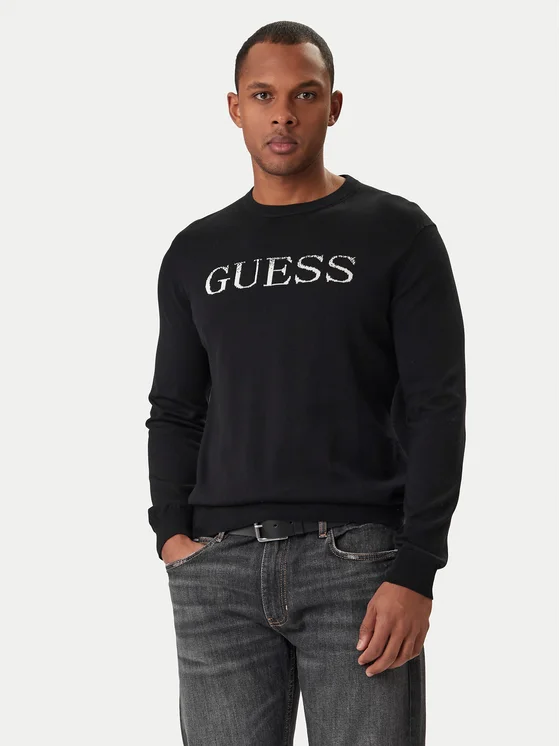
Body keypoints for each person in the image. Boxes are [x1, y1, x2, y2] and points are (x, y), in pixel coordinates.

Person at [145, 19, 466, 746]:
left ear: (333, 105)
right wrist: (171, 536)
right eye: (263, 95)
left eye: (305, 94)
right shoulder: (196, 250)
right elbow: (176, 408)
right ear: (236, 108)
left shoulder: (396, 232)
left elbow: (437, 405)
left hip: (359, 568)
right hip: (217, 570)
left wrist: (418, 567)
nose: (283, 114)